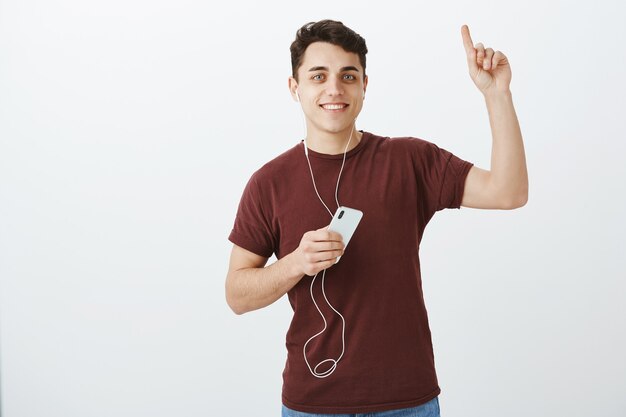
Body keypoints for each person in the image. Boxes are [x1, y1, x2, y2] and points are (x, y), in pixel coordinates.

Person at [225, 19, 528, 417]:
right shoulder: (269, 183)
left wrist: (497, 94)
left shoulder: (409, 160)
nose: (334, 88)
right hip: (312, 405)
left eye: (348, 76)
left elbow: (509, 192)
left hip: (407, 401)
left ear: (365, 85)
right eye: (319, 76)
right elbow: (237, 295)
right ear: (294, 87)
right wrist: (296, 263)